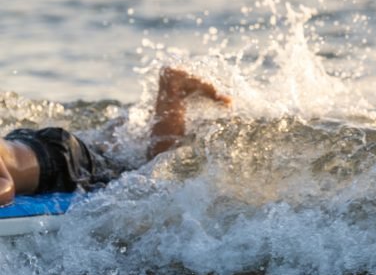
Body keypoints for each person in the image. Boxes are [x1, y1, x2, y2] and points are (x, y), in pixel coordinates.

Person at [0, 67, 231, 206]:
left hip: (62, 165)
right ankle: (123, 125)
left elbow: (6, 186)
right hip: (34, 146)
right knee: (104, 155)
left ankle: (173, 87)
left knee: (151, 171)